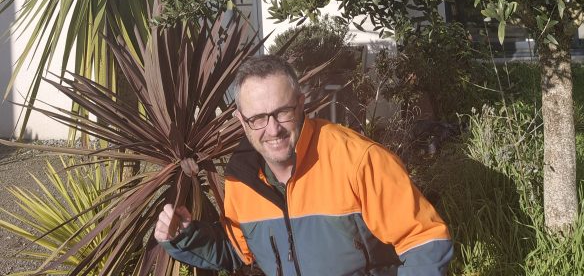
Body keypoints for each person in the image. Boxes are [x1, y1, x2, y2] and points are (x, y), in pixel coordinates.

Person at [155, 54, 453, 276]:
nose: (272, 130)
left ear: (301, 103)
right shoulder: (241, 178)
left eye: (282, 112)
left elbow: (425, 240)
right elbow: (238, 250)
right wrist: (183, 236)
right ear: (241, 121)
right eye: (257, 118)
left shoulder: (358, 160)